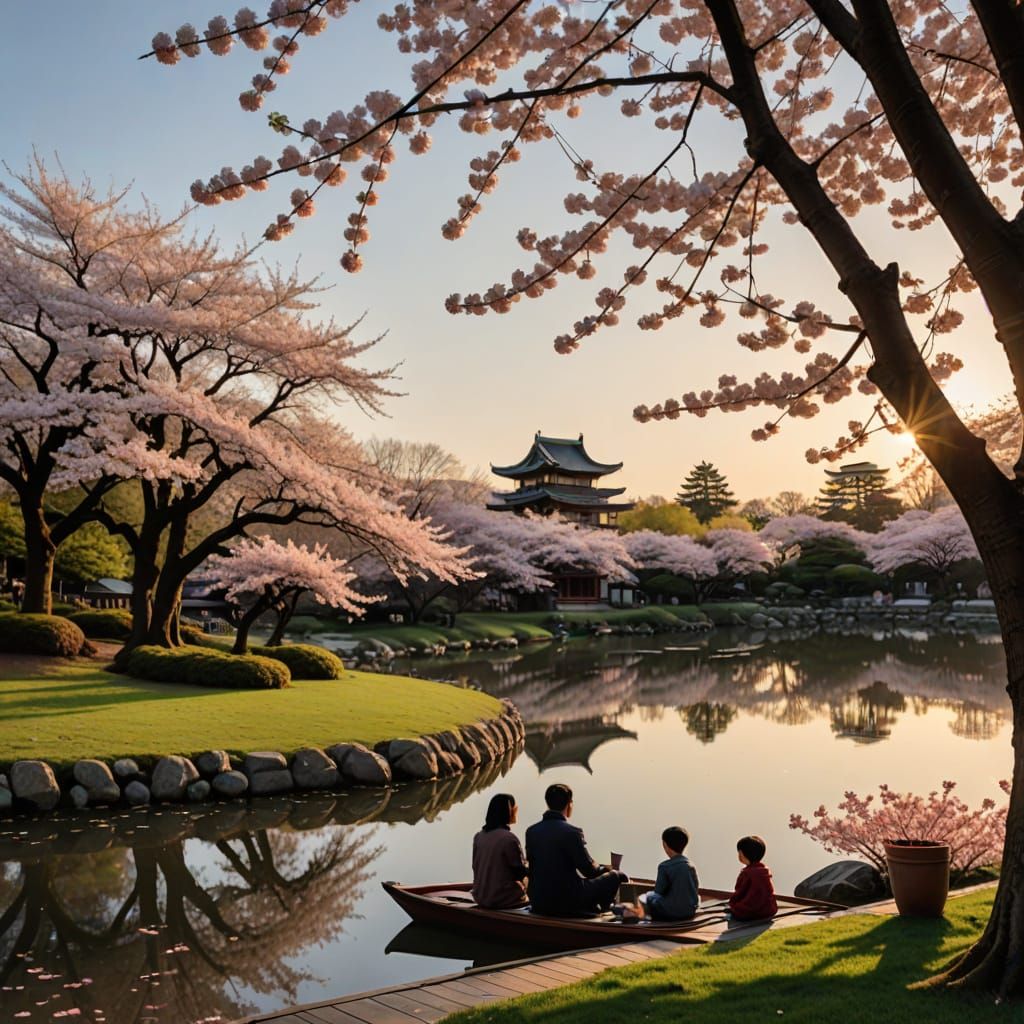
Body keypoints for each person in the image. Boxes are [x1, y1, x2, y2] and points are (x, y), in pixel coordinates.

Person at [525, 783, 627, 916]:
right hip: (567, 900)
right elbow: (589, 870)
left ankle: (594, 909)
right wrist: (607, 869)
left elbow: (532, 866)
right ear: (569, 804)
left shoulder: (531, 831)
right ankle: (604, 912)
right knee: (616, 876)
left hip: (538, 900)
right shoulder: (572, 832)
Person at [472, 793, 528, 909]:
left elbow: (475, 866)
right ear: (510, 811)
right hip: (501, 899)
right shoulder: (509, 839)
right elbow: (520, 873)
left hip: (480, 897)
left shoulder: (478, 836)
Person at [642, 826, 700, 921]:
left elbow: (659, 891)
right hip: (689, 911)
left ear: (665, 844)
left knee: (648, 896)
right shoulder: (690, 865)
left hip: (671, 913)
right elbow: (696, 887)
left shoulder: (664, 866)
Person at [728, 835, 778, 921]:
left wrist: (732, 904)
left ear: (742, 854)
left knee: (737, 908)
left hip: (751, 911)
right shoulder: (765, 871)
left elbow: (739, 892)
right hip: (769, 910)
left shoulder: (746, 873)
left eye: (739, 853)